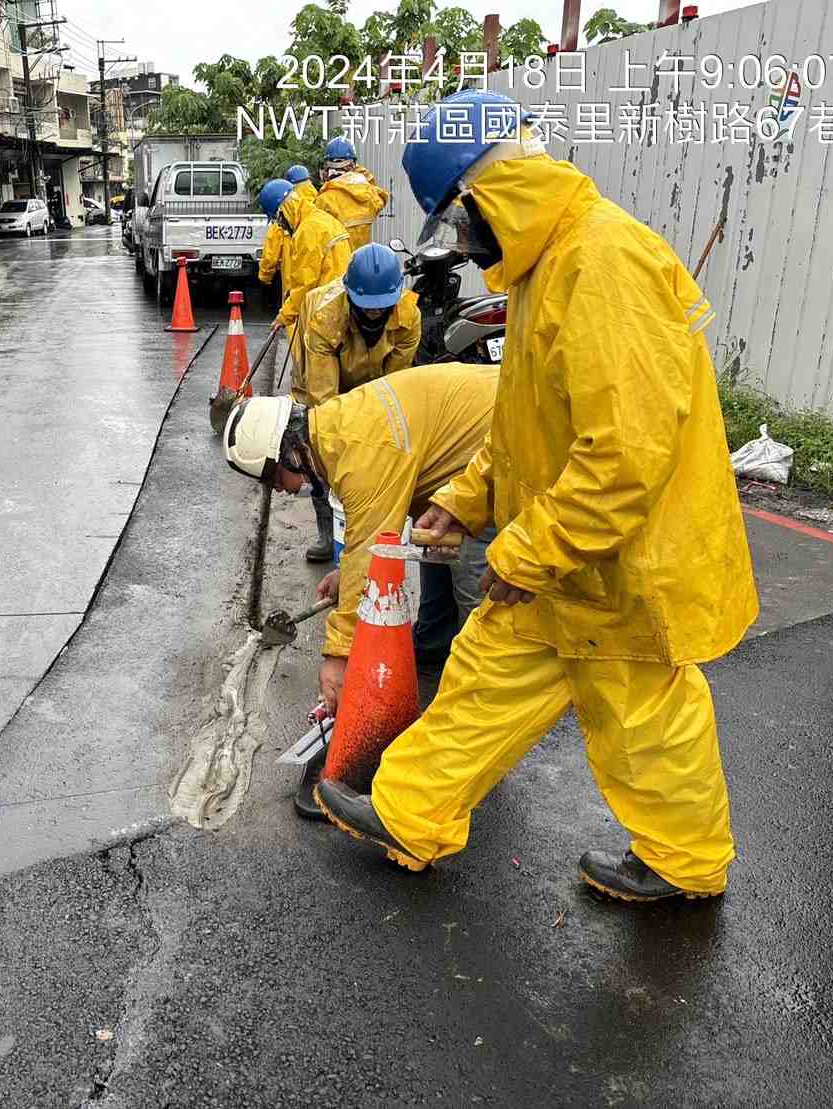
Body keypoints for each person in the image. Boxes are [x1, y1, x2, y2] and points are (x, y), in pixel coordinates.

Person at [313, 89, 759, 903]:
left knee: (642, 716)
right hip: (570, 552)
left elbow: (625, 452)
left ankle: (684, 860)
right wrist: (466, 498)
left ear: (486, 192)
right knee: (485, 673)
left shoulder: (600, 263)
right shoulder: (544, 266)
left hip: (620, 561)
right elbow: (525, 425)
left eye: (457, 220)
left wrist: (527, 549)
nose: (460, 240)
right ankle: (410, 812)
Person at [223, 360, 497, 818]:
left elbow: (370, 549)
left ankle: (475, 741)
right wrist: (345, 574)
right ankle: (434, 647)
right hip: (474, 453)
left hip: (502, 453)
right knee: (436, 549)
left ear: (289, 454)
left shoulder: (362, 449)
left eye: (273, 480)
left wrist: (337, 658)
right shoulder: (338, 431)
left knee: (479, 596)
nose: (282, 492)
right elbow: (374, 530)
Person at [291, 242, 424, 563]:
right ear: (351, 295)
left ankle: (366, 528)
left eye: (382, 306)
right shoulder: (324, 319)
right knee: (320, 444)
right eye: (367, 306)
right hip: (323, 378)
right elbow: (325, 401)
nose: (374, 312)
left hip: (373, 377)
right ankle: (327, 531)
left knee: (378, 444)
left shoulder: (408, 317)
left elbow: (395, 388)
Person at [255, 179, 352, 338]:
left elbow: (304, 284)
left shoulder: (307, 231)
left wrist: (284, 317)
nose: (280, 225)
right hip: (342, 304)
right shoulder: (325, 220)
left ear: (283, 211)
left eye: (278, 220)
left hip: (325, 312)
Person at [314, 138, 391, 251]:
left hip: (338, 260)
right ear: (353, 165)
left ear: (328, 167)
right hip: (361, 259)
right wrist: (358, 174)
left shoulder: (324, 200)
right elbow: (382, 196)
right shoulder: (369, 195)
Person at [257, 166, 319, 294]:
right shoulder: (320, 206)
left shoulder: (285, 215)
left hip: (293, 286)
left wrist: (265, 277)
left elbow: (270, 255)